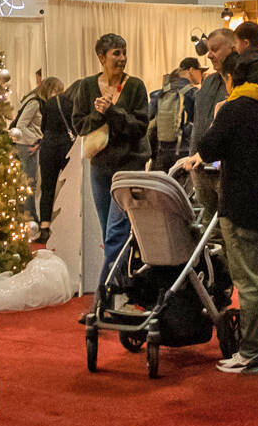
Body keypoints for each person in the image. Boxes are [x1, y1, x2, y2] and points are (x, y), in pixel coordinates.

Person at [195, 49, 258, 375]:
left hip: (241, 208)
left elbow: (208, 148)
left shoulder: (235, 108)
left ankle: (250, 353)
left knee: (250, 284)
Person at [72, 33, 150, 283]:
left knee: (116, 232)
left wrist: (113, 112)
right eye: (116, 53)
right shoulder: (86, 86)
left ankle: (106, 292)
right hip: (100, 167)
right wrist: (98, 113)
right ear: (101, 57)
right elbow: (79, 126)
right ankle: (123, 285)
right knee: (110, 231)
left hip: (129, 167)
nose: (122, 58)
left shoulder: (135, 86)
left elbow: (140, 126)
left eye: (124, 52)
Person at [187, 28, 235, 225]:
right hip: (200, 169)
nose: (209, 55)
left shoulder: (243, 85)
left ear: (232, 49)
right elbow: (199, 122)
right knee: (209, 230)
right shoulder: (208, 83)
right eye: (208, 49)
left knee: (229, 229)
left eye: (215, 49)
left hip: (226, 172)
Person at [36, 78, 73, 245]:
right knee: (69, 186)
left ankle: (45, 226)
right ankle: (69, 223)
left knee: (47, 188)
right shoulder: (69, 102)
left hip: (48, 147)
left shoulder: (48, 104)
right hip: (66, 146)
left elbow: (43, 127)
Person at [150, 62, 198, 173]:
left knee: (161, 188)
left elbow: (149, 117)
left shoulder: (161, 92)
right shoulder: (193, 93)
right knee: (182, 188)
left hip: (161, 150)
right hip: (184, 151)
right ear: (191, 70)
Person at [9, 84, 46, 224]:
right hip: (26, 146)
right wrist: (35, 140)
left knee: (29, 182)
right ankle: (30, 218)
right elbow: (21, 125)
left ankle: (27, 217)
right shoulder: (35, 103)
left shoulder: (36, 103)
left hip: (27, 144)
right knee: (29, 182)